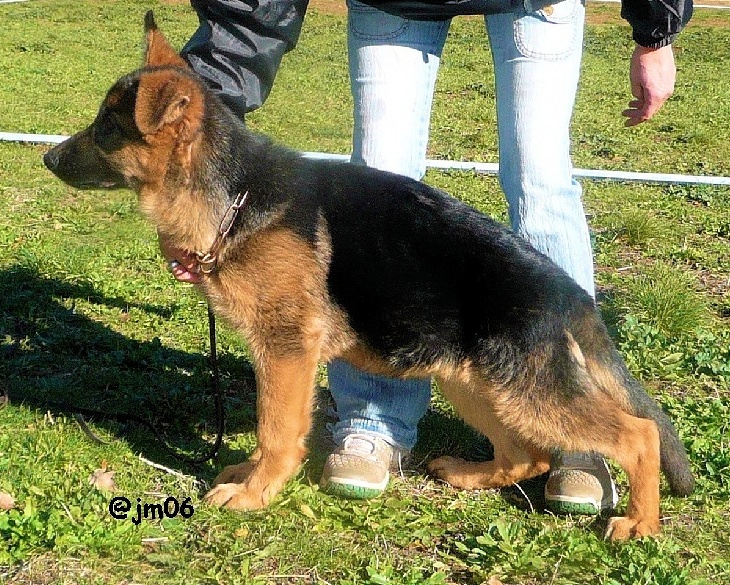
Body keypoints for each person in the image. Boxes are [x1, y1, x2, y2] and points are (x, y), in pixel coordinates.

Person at [161, 0, 693, 515]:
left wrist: (656, 29)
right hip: (396, 4)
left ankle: (581, 436)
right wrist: (206, 116)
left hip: (538, 4)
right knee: (378, 179)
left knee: (542, 184)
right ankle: (376, 423)